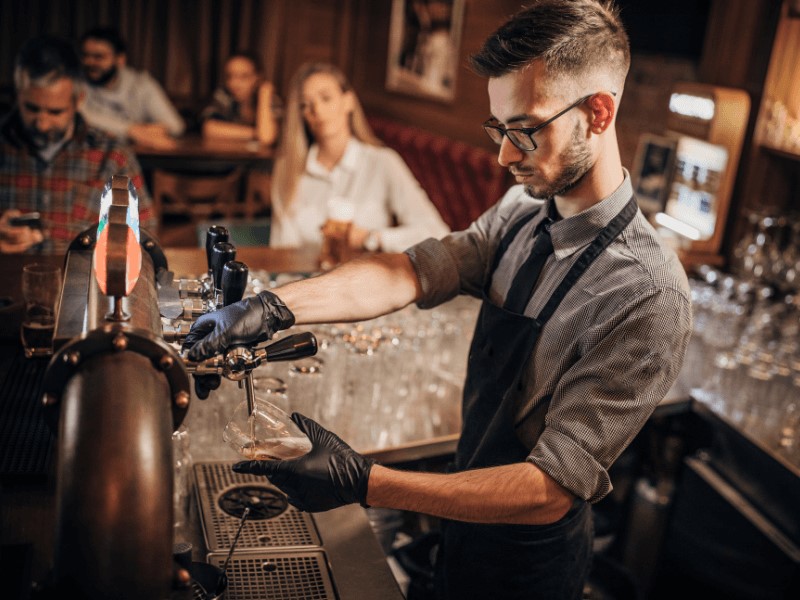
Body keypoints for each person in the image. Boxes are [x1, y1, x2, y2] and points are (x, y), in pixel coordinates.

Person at [182, 1, 692, 598]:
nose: (504, 155)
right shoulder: (523, 211)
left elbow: (549, 488)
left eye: (525, 129)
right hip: (461, 515)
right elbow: (413, 272)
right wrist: (273, 307)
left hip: (527, 561)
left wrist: (365, 481)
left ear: (599, 113)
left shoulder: (647, 296)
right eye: (497, 129)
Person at [269, 61, 450, 253]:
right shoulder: (288, 169)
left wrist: (371, 238)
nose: (317, 110)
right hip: (307, 280)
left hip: (365, 279)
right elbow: (282, 251)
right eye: (306, 104)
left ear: (348, 101)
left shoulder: (383, 162)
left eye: (326, 98)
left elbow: (436, 232)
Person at [0, 35, 156, 255]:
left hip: (84, 285)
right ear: (18, 95)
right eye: (32, 108)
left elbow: (145, 235)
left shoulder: (112, 155)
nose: (42, 124)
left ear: (79, 99)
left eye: (55, 112)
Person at [79, 27, 185, 150]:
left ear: (120, 59)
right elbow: (81, 117)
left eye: (99, 57)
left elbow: (175, 125)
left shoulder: (141, 83)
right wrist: (130, 131)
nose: (89, 62)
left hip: (135, 159)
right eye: (85, 56)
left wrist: (144, 132)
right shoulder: (75, 82)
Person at [200, 51, 281, 145]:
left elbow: (267, 137)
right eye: (230, 76)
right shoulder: (225, 95)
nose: (234, 84)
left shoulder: (270, 98)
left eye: (244, 77)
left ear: (258, 77)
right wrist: (256, 133)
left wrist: (264, 95)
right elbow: (210, 129)